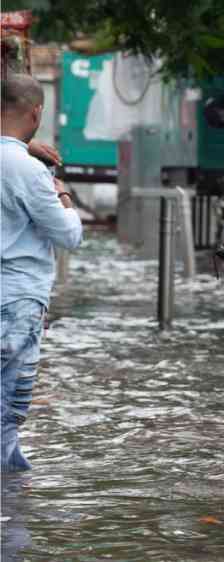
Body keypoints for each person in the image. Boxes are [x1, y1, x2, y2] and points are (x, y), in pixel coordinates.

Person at [1, 74, 83, 472]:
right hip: (17, 302)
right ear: (36, 113)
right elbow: (69, 236)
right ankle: (10, 514)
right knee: (8, 412)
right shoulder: (31, 172)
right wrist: (63, 193)